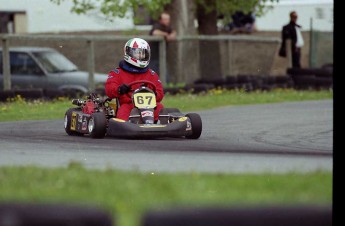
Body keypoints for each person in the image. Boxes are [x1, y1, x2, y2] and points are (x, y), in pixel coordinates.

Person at [105, 38, 164, 122]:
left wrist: (154, 94)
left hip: (150, 106)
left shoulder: (151, 74)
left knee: (160, 107)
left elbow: (160, 92)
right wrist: (119, 89)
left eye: (143, 54)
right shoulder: (117, 73)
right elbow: (109, 89)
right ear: (128, 52)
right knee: (123, 111)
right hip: (129, 105)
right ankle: (128, 126)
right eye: (137, 53)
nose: (140, 56)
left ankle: (158, 124)